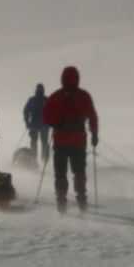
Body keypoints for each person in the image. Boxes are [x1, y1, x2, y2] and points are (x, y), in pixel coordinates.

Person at [41, 66, 98, 211]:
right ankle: (81, 200)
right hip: (78, 142)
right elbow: (92, 116)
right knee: (79, 172)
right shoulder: (84, 96)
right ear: (77, 78)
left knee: (60, 173)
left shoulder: (56, 96)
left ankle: (61, 202)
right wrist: (94, 134)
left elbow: (46, 116)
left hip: (60, 141)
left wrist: (56, 123)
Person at [23, 84, 49, 164]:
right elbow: (26, 111)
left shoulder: (33, 100)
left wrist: (27, 122)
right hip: (43, 125)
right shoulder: (46, 100)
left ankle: (35, 158)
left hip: (36, 124)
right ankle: (44, 159)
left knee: (35, 142)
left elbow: (26, 111)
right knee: (43, 142)